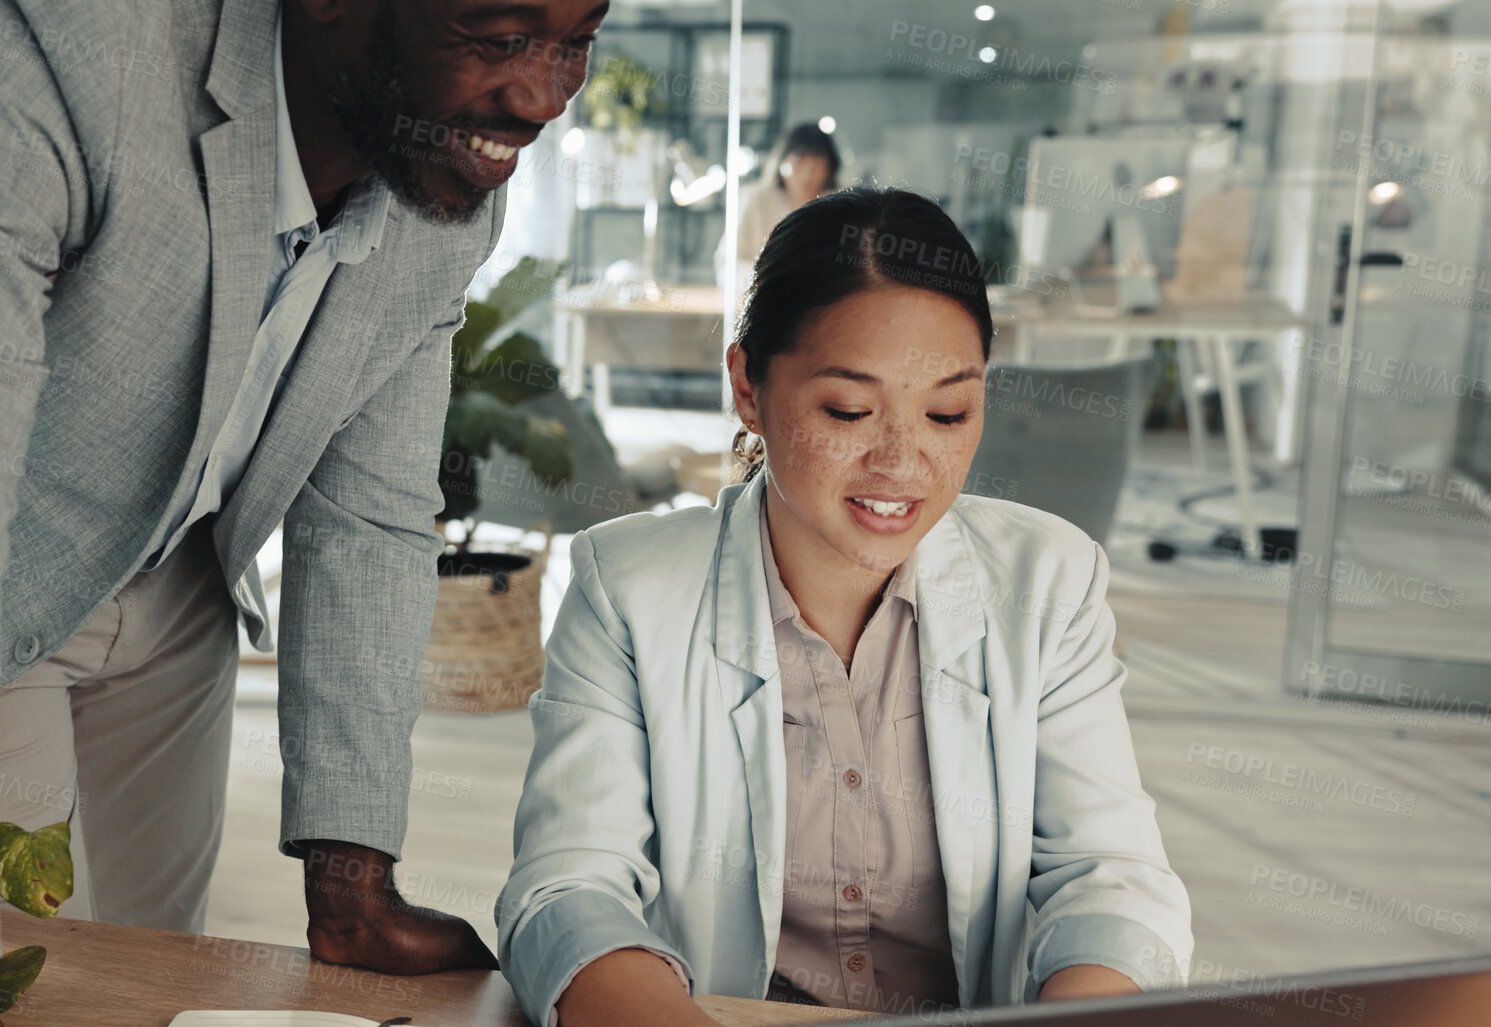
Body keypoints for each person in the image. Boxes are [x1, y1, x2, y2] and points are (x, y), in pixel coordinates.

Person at [0, 0, 608, 1023]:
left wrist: (354, 878)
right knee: (1, 984)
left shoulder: (441, 183)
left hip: (182, 555)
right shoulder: (51, 37)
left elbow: (370, 514)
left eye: (577, 40)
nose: (540, 97)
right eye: (498, 37)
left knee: (146, 978)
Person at [496, 186, 1193, 1027]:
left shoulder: (1047, 581)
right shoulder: (628, 587)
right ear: (747, 385)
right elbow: (567, 888)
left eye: (947, 411)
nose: (902, 461)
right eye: (848, 410)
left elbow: (1110, 878)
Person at [719, 121, 842, 290]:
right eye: (798, 164)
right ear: (781, 163)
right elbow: (728, 263)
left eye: (816, 166)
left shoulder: (838, 207)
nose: (806, 175)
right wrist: (764, 279)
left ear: (829, 169)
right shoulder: (756, 200)